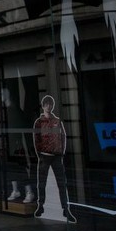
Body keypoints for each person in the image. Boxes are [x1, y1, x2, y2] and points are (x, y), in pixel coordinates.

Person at [33, 94, 76, 223]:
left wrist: (61, 153)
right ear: (43, 106)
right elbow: (36, 139)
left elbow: (63, 137)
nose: (48, 106)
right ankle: (40, 206)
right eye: (46, 104)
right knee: (42, 183)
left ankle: (65, 209)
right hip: (44, 156)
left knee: (62, 184)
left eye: (50, 104)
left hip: (57, 156)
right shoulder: (39, 122)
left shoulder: (57, 121)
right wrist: (40, 154)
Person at [3, 87, 35, 204]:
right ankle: (16, 190)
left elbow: (19, 127)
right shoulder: (6, 110)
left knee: (21, 170)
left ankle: (29, 192)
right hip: (10, 145)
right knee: (12, 169)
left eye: (4, 93)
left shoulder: (14, 110)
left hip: (16, 146)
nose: (1, 95)